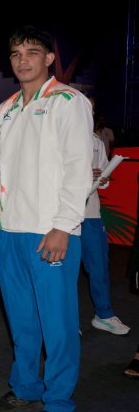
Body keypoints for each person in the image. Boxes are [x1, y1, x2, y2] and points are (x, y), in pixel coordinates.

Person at [0, 26, 93, 412]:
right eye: (16, 53)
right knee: (21, 318)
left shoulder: (68, 102)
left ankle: (58, 402)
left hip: (51, 231)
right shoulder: (6, 108)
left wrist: (63, 225)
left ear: (48, 58)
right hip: (11, 231)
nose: (23, 60)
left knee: (57, 323)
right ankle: (26, 386)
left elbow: (78, 168)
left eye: (32, 52)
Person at [82, 98, 130, 335]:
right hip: (61, 216)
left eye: (90, 109)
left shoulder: (95, 141)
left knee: (99, 266)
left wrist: (104, 177)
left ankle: (103, 314)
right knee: (62, 273)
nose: (87, 112)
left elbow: (103, 175)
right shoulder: (54, 137)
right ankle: (64, 322)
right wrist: (83, 175)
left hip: (91, 214)